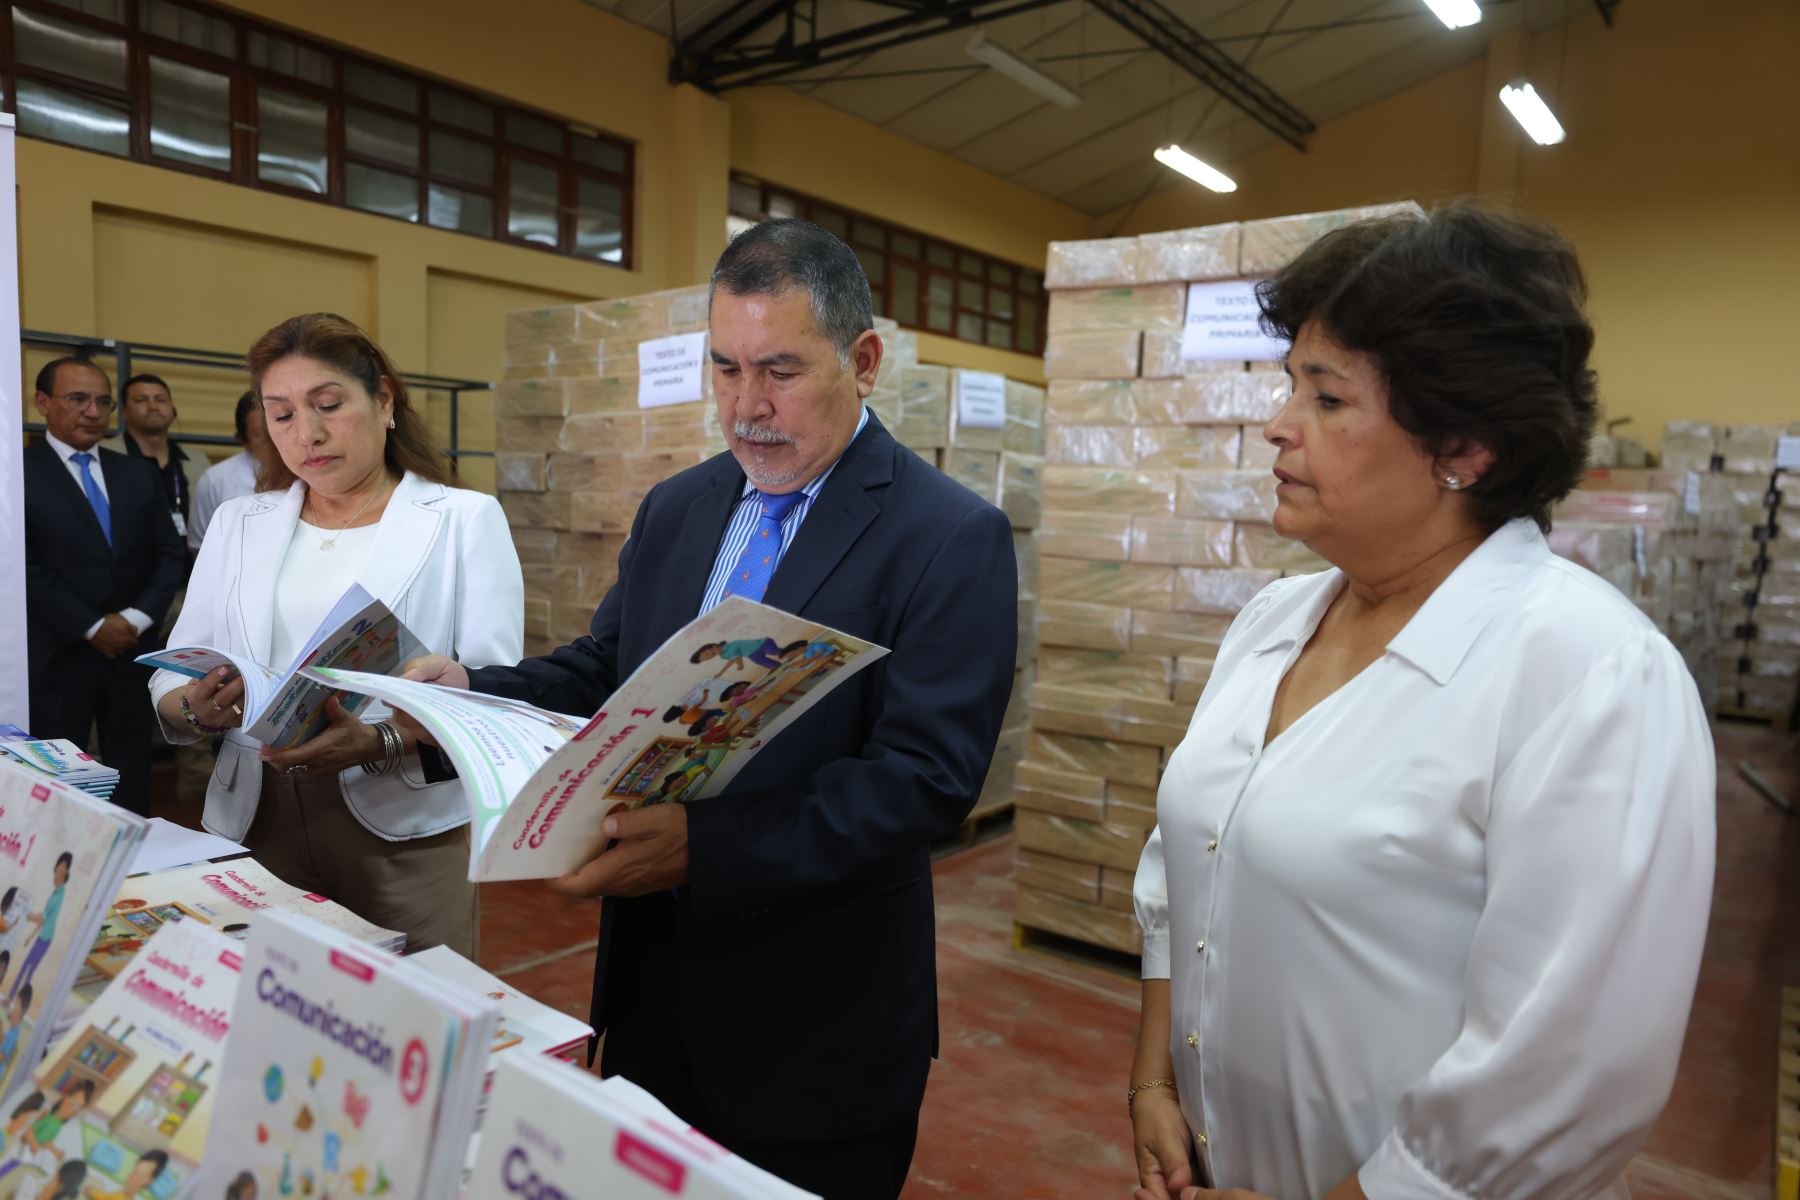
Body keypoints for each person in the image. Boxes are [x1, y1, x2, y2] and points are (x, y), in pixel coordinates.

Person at [398, 218, 1018, 1199]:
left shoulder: (948, 535)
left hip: (816, 1023)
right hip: (649, 999)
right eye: (724, 370)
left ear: (864, 361)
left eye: (779, 371)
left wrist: (704, 847)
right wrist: (472, 695)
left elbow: (925, 781)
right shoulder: (683, 506)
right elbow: (610, 665)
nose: (745, 408)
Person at [1128, 205, 1714, 1200]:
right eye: (1289, 386)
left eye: (1328, 398)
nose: (1278, 423)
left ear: (1464, 446)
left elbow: (1565, 1065)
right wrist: (1154, 1080)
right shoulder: (1273, 622)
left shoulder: (1589, 675)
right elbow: (1186, 865)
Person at [146, 315, 522, 956]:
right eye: (282, 414)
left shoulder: (461, 519)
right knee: (272, 1016)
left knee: (411, 1020)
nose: (309, 434)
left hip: (401, 827)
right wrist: (191, 704)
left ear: (383, 399)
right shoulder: (241, 522)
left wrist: (378, 738)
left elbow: (490, 693)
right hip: (255, 817)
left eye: (328, 404)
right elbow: (174, 671)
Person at [24, 358, 185, 816]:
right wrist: (91, 625)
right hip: (59, 651)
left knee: (131, 766)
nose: (93, 411)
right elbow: (20, 563)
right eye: (78, 399)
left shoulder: (135, 472)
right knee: (59, 771)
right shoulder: (17, 471)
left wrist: (134, 619)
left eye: (102, 401)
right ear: (42, 403)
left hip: (131, 648)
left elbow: (169, 554)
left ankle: (131, 861)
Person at [100, 374, 207, 547]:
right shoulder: (105, 455)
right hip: (131, 563)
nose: (153, 406)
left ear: (172, 410)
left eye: (160, 399)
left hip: (192, 564)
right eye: (141, 400)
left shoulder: (198, 461)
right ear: (124, 412)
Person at [187, 392, 269, 554]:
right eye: (260, 434)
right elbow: (200, 546)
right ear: (241, 438)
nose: (273, 439)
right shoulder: (216, 479)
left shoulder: (307, 470)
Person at [8, 853, 69, 1004]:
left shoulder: (59, 894)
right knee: (25, 967)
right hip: (42, 936)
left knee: (29, 970)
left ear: (66, 873)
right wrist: (31, 935)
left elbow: (45, 919)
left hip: (45, 939)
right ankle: (11, 998)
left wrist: (30, 917)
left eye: (61, 870)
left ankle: (18, 1004)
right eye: (57, 869)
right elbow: (44, 916)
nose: (57, 873)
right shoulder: (56, 892)